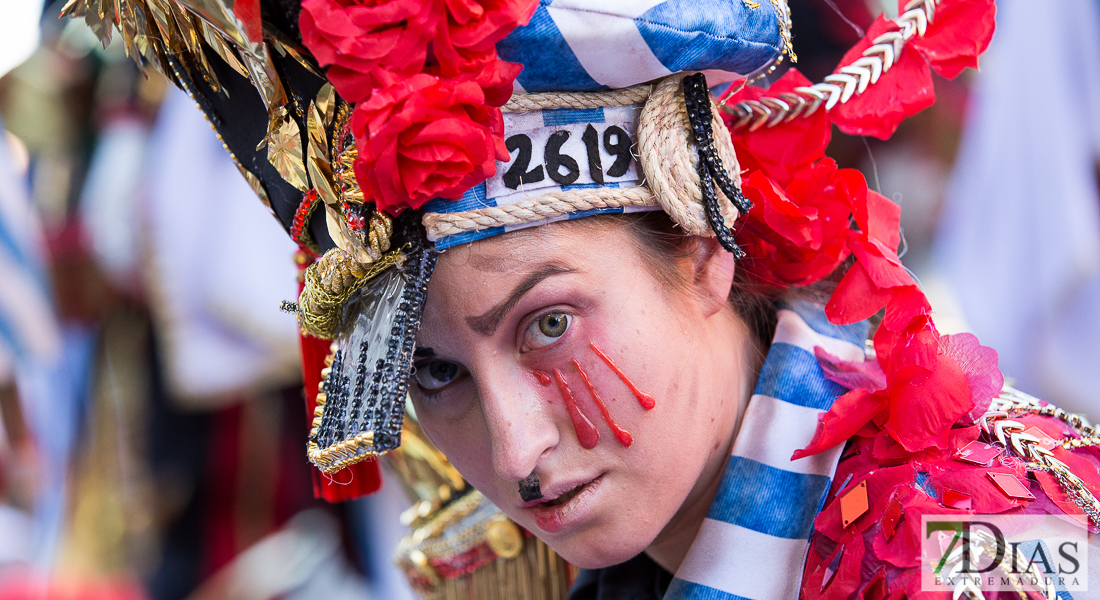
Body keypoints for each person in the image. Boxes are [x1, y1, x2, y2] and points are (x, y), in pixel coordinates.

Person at [63, 0, 1100, 598]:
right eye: (435, 373)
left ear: (702, 253)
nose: (515, 455)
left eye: (548, 324)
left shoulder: (977, 547)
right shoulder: (523, 560)